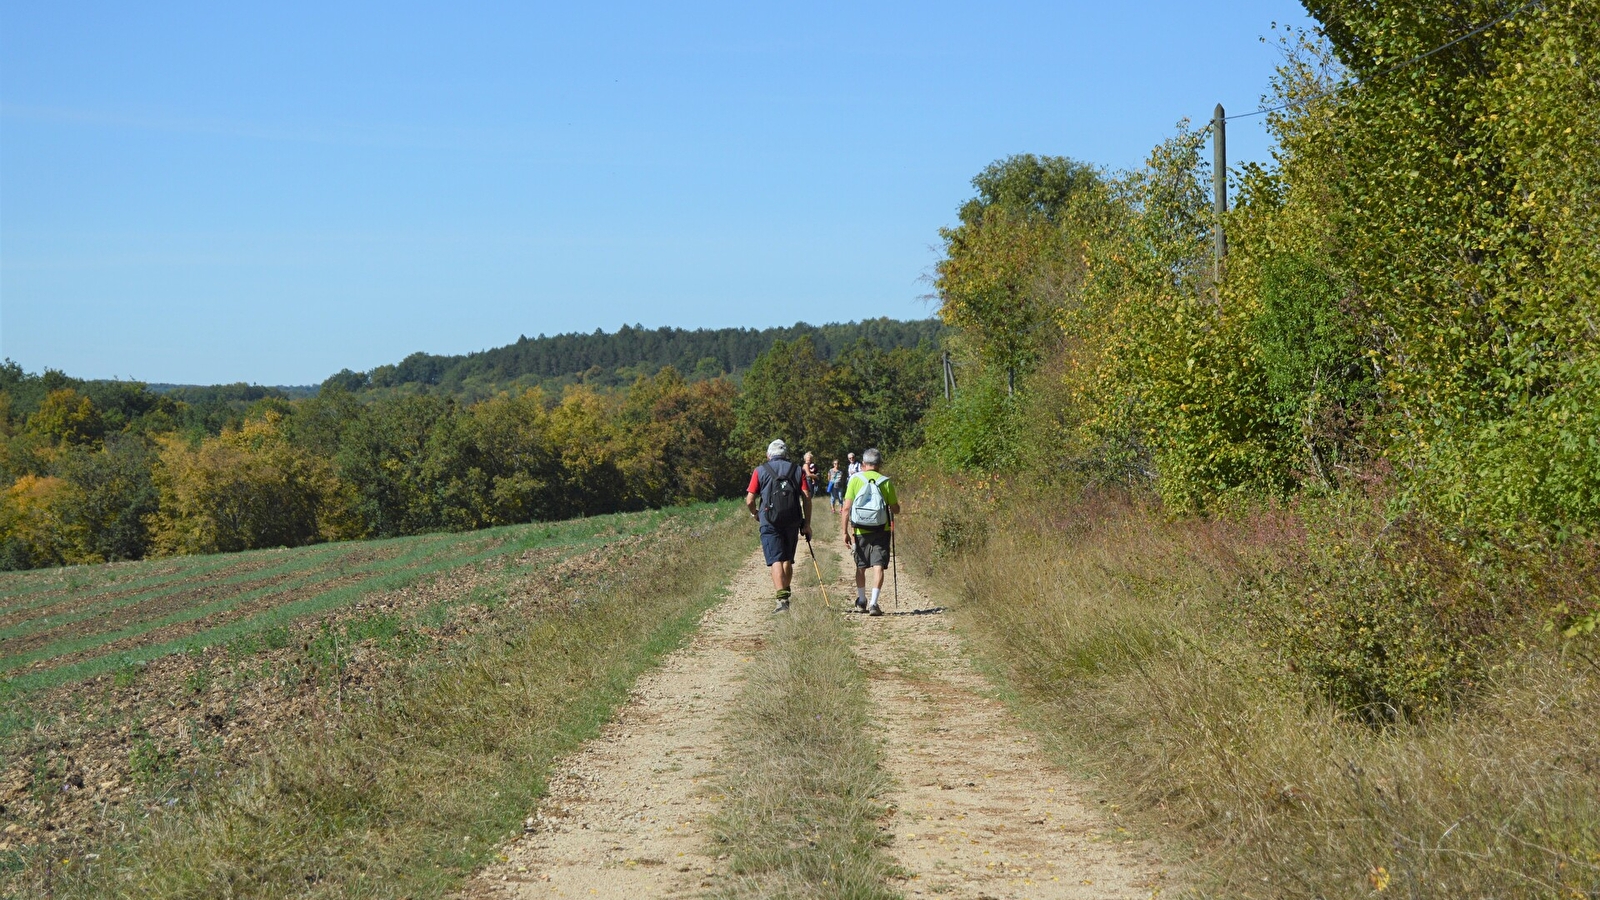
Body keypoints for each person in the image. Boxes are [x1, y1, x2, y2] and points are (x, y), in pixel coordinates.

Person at [745, 439, 813, 612]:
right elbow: (806, 496)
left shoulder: (760, 471)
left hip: (769, 520)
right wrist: (807, 523)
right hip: (792, 519)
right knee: (787, 558)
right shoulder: (797, 470)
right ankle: (786, 592)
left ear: (769, 455)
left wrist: (755, 513)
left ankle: (782, 601)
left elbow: (750, 500)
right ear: (785, 455)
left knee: (776, 558)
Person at [840, 447, 899, 616]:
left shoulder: (855, 480)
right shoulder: (885, 481)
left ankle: (861, 600)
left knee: (861, 565)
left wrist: (844, 531)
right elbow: (895, 508)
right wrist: (896, 508)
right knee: (878, 565)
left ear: (864, 464)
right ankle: (874, 603)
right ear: (879, 465)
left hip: (860, 530)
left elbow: (846, 508)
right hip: (882, 529)